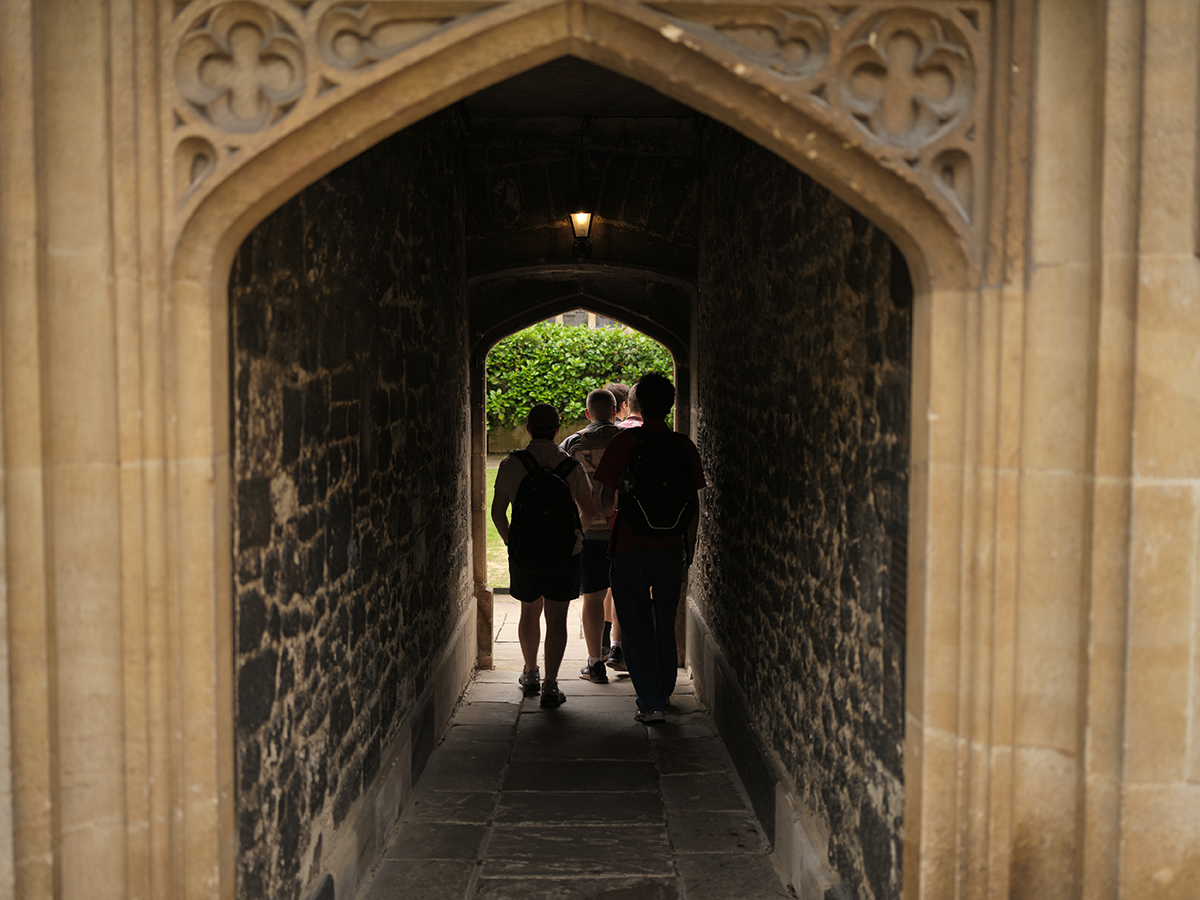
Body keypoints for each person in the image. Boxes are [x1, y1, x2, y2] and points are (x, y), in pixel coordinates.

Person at [593, 373, 705, 724]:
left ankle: (651, 700)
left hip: (629, 545)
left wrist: (617, 515)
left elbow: (604, 497)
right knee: (664, 617)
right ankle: (665, 687)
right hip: (671, 547)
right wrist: (690, 545)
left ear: (636, 404)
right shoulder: (684, 446)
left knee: (636, 622)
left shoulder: (623, 443)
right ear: (670, 404)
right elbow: (693, 502)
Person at [491, 403, 595, 707]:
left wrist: (514, 545)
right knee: (557, 617)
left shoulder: (511, 463)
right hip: (565, 554)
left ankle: (531, 672)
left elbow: (499, 513)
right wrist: (576, 538)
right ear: (558, 430)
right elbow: (588, 511)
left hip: (525, 552)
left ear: (527, 428)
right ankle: (551, 684)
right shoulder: (570, 465)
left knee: (528, 611)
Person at [559, 388, 622, 683]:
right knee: (623, 593)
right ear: (616, 410)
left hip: (588, 531)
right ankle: (622, 651)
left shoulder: (572, 444)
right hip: (622, 530)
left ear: (587, 413)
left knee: (593, 596)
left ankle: (595, 663)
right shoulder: (627, 441)